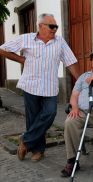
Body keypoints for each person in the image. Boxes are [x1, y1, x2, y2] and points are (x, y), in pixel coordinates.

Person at [0, 13, 79, 162]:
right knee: (33, 119)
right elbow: (3, 49)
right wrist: (21, 59)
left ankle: (25, 140)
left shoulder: (59, 42)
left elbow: (71, 62)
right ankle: (38, 151)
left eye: (56, 26)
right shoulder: (26, 38)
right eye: (51, 26)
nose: (55, 29)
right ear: (41, 26)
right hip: (30, 85)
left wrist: (81, 81)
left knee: (50, 113)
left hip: (50, 87)